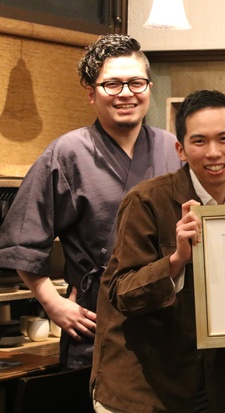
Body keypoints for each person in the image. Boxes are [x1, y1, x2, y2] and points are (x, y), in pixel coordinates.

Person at [0, 34, 182, 369]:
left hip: (166, 317)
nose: (126, 93)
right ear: (91, 93)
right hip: (97, 321)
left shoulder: (172, 148)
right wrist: (52, 303)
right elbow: (23, 239)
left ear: (149, 88)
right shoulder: (68, 152)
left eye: (136, 82)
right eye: (112, 84)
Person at [90, 90, 225, 413]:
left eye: (224, 139)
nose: (213, 152)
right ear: (181, 149)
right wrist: (176, 260)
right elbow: (122, 293)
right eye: (199, 141)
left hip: (211, 381)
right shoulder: (147, 200)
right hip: (141, 386)